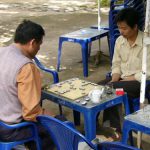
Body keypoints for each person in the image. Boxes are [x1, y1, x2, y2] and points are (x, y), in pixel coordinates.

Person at [0, 20, 56, 149]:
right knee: (59, 123)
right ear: (32, 43)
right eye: (39, 44)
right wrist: (50, 115)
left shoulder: (1, 52)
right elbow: (31, 114)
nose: (39, 48)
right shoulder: (26, 67)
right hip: (10, 130)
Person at [99, 8, 150, 135]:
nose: (121, 32)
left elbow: (148, 71)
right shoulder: (119, 41)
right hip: (121, 80)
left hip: (141, 82)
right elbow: (116, 64)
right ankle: (98, 125)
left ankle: (115, 131)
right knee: (98, 87)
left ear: (135, 27)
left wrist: (125, 80)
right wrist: (114, 78)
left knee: (113, 90)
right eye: (119, 28)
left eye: (124, 28)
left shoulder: (147, 43)